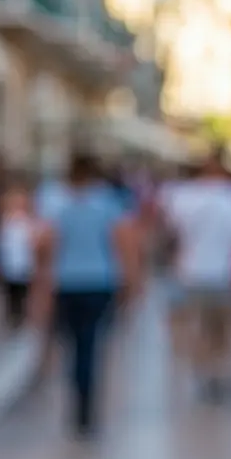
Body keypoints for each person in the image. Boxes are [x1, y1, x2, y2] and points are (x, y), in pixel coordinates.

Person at [35, 153, 142, 436]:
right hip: (100, 281)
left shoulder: (56, 203)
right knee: (91, 345)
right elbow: (125, 243)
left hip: (67, 282)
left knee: (72, 345)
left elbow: (46, 246)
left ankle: (78, 400)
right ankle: (86, 404)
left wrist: (42, 286)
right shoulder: (109, 202)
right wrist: (131, 283)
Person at [161, 148, 231, 402]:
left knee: (201, 327)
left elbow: (173, 235)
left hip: (193, 273)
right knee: (222, 330)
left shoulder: (183, 197)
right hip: (224, 274)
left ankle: (206, 373)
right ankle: (220, 372)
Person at [0, 180, 38, 330]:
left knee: (24, 294)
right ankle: (13, 319)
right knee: (10, 296)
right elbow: (2, 245)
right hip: (9, 265)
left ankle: (24, 319)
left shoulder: (30, 221)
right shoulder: (5, 221)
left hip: (26, 265)